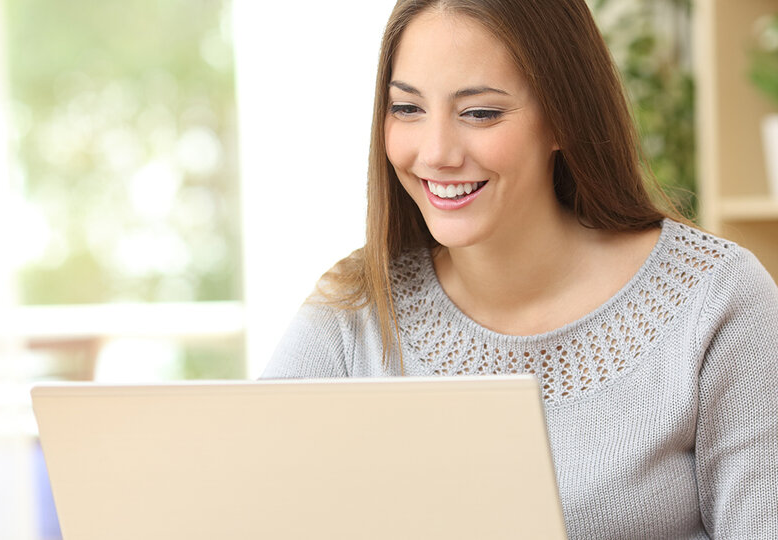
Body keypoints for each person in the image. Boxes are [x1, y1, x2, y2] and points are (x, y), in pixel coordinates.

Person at [262, 0, 778, 537]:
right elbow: (246, 502)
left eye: (480, 112)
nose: (436, 153)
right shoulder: (357, 308)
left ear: (563, 117)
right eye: (408, 109)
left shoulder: (716, 298)